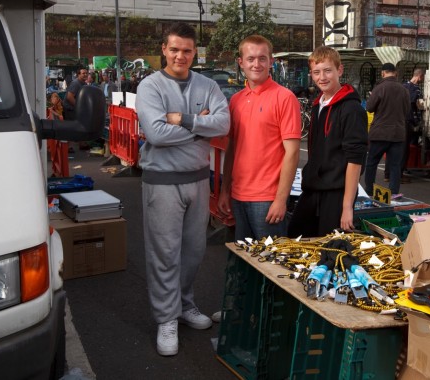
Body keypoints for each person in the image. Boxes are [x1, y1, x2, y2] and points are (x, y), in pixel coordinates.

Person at [135, 22, 230, 357]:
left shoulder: (207, 85)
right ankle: (166, 318)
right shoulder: (150, 86)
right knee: (164, 253)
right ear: (164, 49)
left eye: (187, 50)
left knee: (194, 251)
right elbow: (156, 134)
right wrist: (201, 126)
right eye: (174, 49)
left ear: (194, 53)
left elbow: (223, 123)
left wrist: (184, 119)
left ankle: (184, 304)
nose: (180, 56)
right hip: (162, 181)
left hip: (199, 180)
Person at [217, 34, 301, 242]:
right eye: (251, 59)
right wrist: (225, 190)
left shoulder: (285, 97)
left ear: (271, 61)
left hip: (267, 199)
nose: (256, 64)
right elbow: (232, 148)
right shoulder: (236, 100)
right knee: (244, 259)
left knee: (271, 259)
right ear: (241, 62)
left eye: (262, 58)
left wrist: (280, 200)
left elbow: (292, 153)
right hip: (238, 196)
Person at [287, 46, 368, 237]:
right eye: (316, 72)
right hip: (313, 189)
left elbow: (355, 160)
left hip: (336, 194)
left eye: (327, 71)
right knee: (295, 236)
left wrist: (347, 206)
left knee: (330, 247)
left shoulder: (352, 109)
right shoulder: (318, 105)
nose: (322, 77)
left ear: (339, 70)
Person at [364, 62, 410, 196]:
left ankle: (369, 190)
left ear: (383, 73)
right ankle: (393, 193)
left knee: (372, 162)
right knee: (395, 166)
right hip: (398, 133)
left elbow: (369, 108)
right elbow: (407, 111)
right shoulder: (404, 90)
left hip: (380, 133)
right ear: (395, 73)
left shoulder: (379, 88)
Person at [384, 68, 425, 182]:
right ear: (420, 76)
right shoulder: (415, 89)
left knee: (392, 148)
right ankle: (399, 175)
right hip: (406, 122)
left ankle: (387, 174)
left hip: (395, 120)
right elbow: (414, 103)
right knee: (403, 149)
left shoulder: (402, 86)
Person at [46, 92, 67, 177]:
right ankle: (55, 171)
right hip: (55, 131)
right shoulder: (54, 106)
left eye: (53, 98)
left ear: (57, 99)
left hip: (59, 132)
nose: (52, 100)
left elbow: (61, 117)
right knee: (55, 153)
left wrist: (52, 112)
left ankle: (58, 172)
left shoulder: (59, 106)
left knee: (58, 153)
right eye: (51, 98)